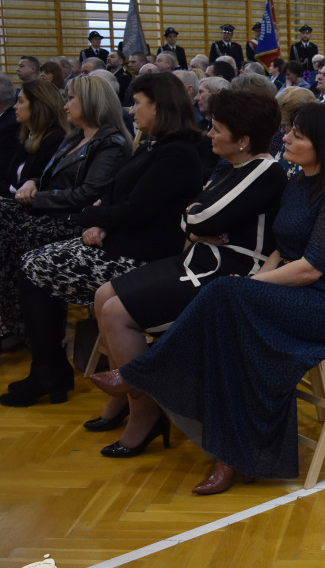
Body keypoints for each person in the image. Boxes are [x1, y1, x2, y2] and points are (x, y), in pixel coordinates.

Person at [87, 102, 325, 494]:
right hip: (294, 291)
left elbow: (311, 268)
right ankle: (234, 455)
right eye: (289, 131)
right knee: (228, 313)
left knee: (225, 293)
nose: (285, 138)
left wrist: (253, 286)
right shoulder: (299, 181)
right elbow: (280, 249)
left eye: (297, 135)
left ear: (323, 145)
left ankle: (144, 375)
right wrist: (254, 281)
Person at [83, 88, 286, 438]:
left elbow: (200, 218)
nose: (209, 134)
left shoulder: (265, 171)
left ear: (243, 140)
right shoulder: (232, 167)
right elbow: (190, 216)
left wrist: (196, 223)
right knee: (104, 295)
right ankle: (126, 402)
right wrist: (195, 223)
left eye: (217, 129)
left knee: (117, 314)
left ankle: (143, 416)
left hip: (226, 273)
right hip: (195, 260)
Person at [2, 73, 203, 408]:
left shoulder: (177, 153)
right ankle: (47, 368)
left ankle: (48, 371)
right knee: (30, 262)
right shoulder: (155, 144)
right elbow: (112, 193)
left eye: (138, 103)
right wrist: (99, 215)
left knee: (33, 268)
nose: (132, 110)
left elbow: (136, 210)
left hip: (142, 256)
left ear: (160, 106)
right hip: (120, 239)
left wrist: (93, 217)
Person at [0, 75, 130, 345]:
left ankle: (20, 324)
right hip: (53, 213)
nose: (66, 105)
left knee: (11, 232)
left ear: (91, 102)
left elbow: (88, 193)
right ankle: (14, 319)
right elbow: (53, 178)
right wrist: (34, 182)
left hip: (73, 221)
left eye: (71, 99)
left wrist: (37, 198)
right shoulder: (74, 138)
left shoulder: (110, 143)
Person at [5, 80, 69, 199]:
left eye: (20, 101)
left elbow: (47, 187)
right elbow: (11, 181)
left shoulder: (57, 140)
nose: (15, 106)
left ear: (38, 105)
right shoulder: (26, 135)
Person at [271, 86, 317, 177]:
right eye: (280, 125)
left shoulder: (311, 152)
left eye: (285, 125)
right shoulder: (285, 143)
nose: (282, 131)